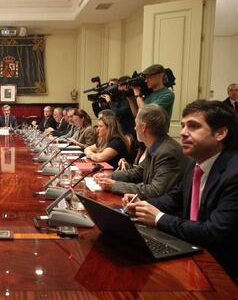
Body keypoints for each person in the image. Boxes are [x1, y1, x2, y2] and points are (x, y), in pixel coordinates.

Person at [124, 100, 238, 280]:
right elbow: (174, 199)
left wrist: (159, 218)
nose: (183, 133)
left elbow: (214, 232)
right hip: (191, 250)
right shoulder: (194, 162)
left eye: (193, 126)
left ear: (221, 133)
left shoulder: (234, 174)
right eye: (183, 126)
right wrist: (141, 204)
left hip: (221, 270)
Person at [94, 104, 186, 200]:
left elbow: (155, 191)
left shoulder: (167, 152)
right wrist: (110, 175)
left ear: (143, 127)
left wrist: (114, 185)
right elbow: (138, 173)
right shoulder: (157, 145)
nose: (134, 128)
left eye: (136, 124)